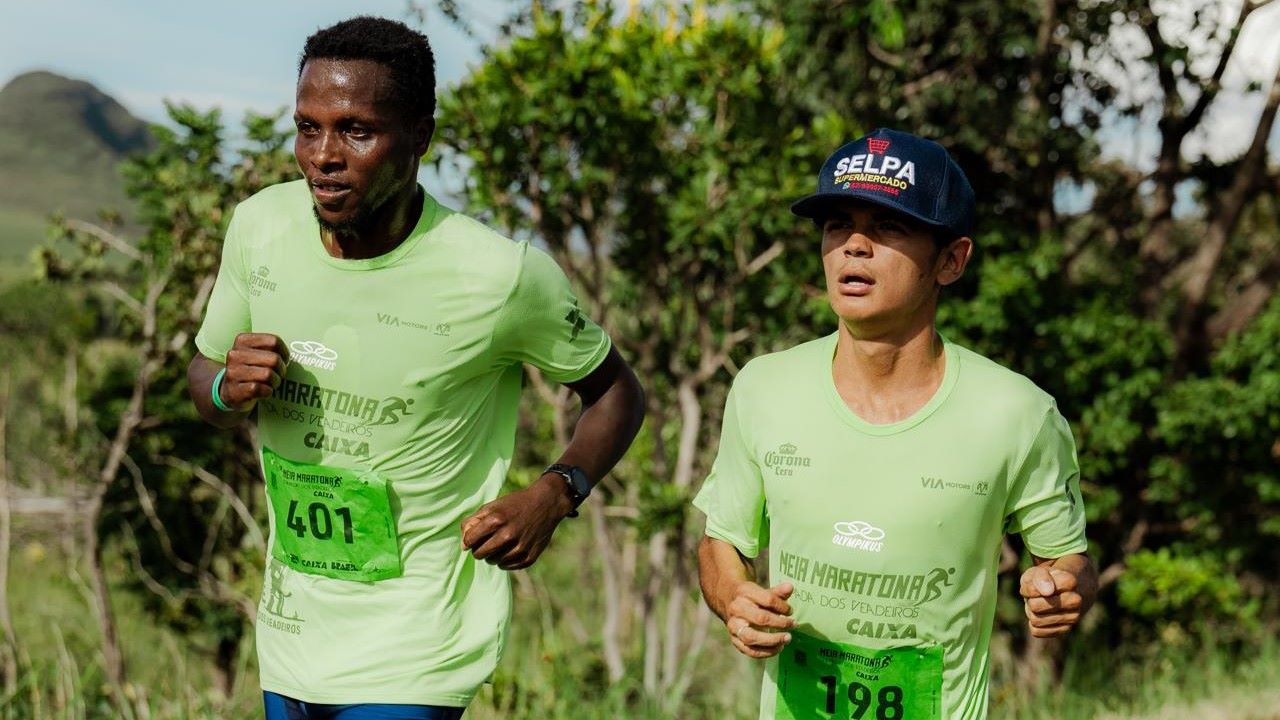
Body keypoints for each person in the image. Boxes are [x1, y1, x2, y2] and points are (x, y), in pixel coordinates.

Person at [186, 16, 645, 720]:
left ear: (421, 138)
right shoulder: (260, 227)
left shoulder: (498, 276)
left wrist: (557, 491)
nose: (324, 156)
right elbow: (204, 379)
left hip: (418, 645)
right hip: (292, 635)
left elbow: (616, 392)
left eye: (356, 131)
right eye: (308, 128)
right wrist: (226, 385)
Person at [694, 128, 1096, 720]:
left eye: (889, 227)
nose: (854, 246)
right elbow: (722, 541)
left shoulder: (1019, 414)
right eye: (838, 225)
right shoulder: (763, 388)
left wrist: (1061, 591)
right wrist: (734, 598)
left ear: (951, 261)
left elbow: (1068, 561)